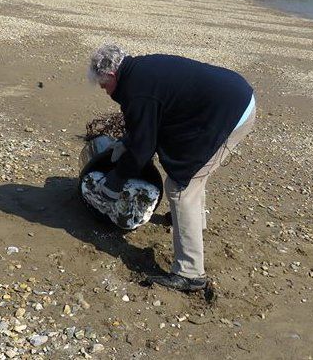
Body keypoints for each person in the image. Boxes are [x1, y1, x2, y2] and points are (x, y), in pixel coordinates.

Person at [87, 44, 256, 292]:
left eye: (104, 86)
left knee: (181, 186)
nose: (105, 92)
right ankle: (190, 226)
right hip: (233, 97)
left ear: (112, 75)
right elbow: (150, 119)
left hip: (231, 113)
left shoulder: (137, 91)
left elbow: (144, 149)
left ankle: (190, 273)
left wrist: (114, 183)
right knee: (194, 177)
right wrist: (126, 141)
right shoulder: (139, 71)